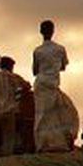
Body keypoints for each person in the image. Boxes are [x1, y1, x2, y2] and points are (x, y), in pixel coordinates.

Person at [32, 20, 72, 151]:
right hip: (52, 83)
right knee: (56, 113)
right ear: (53, 31)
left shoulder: (38, 51)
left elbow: (35, 71)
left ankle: (44, 144)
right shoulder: (60, 49)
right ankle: (53, 144)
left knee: (42, 115)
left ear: (40, 32)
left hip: (42, 83)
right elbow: (63, 66)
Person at [0, 56, 34, 155]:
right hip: (10, 111)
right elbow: (27, 85)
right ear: (9, 66)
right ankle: (7, 160)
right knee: (9, 139)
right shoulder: (13, 77)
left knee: (4, 136)